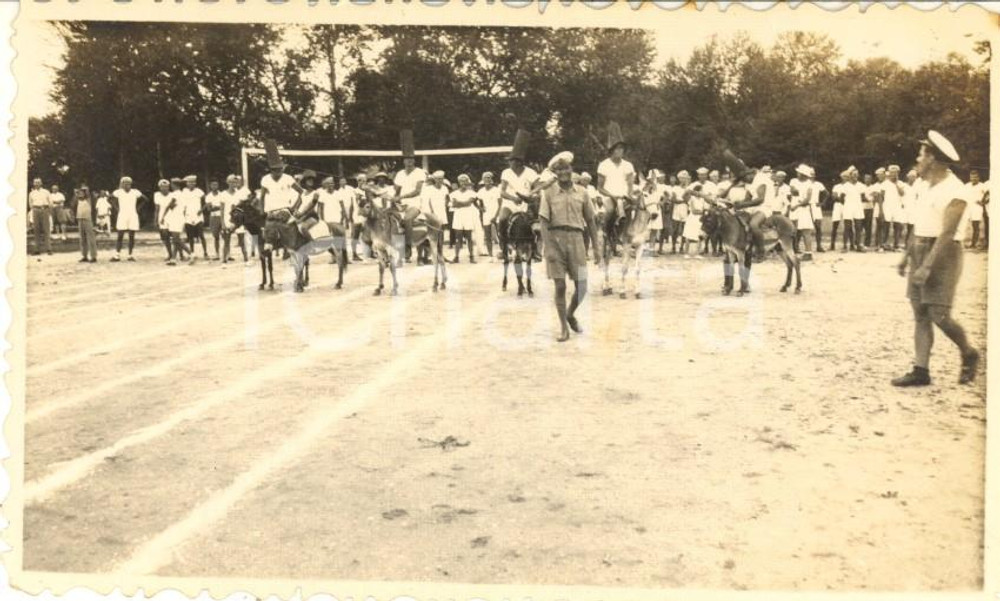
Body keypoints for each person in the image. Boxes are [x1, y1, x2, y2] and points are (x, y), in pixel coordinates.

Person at [894, 130, 979, 387]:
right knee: (920, 312)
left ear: (932, 158)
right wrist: (907, 256)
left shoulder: (957, 191)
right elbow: (918, 224)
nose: (917, 159)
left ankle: (968, 352)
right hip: (920, 247)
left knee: (939, 314)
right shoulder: (922, 185)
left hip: (944, 253)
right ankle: (921, 370)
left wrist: (927, 267)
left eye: (921, 155)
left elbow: (947, 233)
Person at [538, 151, 600, 342]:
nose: (563, 172)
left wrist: (597, 247)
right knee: (560, 286)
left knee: (582, 285)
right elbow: (543, 222)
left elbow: (590, 221)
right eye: (559, 169)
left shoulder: (582, 192)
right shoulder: (548, 193)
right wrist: (548, 248)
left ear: (571, 169)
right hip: (555, 240)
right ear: (555, 173)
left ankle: (570, 314)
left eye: (566, 168)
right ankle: (564, 328)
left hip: (577, 240)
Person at [499, 130, 539, 260]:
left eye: (513, 161)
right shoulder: (506, 172)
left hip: (526, 203)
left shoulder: (531, 173)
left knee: (535, 224)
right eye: (510, 161)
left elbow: (538, 187)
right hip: (510, 203)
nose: (510, 164)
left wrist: (531, 196)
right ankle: (504, 249)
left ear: (520, 162)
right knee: (502, 219)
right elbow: (502, 192)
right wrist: (513, 198)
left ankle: (535, 250)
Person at [596, 122, 635, 229]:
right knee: (609, 210)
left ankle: (628, 233)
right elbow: (600, 187)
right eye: (617, 148)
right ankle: (603, 230)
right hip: (609, 196)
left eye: (622, 148)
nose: (620, 151)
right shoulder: (604, 165)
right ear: (612, 150)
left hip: (624, 196)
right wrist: (612, 196)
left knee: (634, 211)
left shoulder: (628, 165)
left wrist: (629, 195)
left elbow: (630, 184)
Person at [111, 176, 146, 262]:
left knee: (131, 235)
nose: (126, 185)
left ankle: (130, 255)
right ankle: (117, 255)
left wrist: (137, 209)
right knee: (120, 235)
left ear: (131, 184)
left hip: (132, 215)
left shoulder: (135, 192)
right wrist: (117, 208)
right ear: (122, 184)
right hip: (122, 215)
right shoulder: (118, 192)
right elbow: (110, 198)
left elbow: (145, 199)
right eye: (125, 183)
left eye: (128, 183)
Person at [448, 174, 479, 263]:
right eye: (461, 181)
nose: (463, 183)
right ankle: (456, 257)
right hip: (458, 216)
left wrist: (459, 203)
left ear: (468, 182)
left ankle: (471, 256)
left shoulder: (472, 193)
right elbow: (454, 204)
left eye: (465, 181)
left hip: (468, 215)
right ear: (459, 182)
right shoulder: (454, 193)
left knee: (469, 237)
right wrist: (463, 203)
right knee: (458, 237)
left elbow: (469, 203)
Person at [159, 178, 188, 265]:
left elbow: (169, 206)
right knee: (175, 239)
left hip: (176, 218)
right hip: (179, 217)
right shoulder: (182, 194)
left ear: (173, 185)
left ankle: (191, 253)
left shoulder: (175, 194)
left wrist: (163, 217)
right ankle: (173, 259)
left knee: (176, 239)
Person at [179, 175, 208, 262]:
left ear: (195, 183)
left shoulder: (199, 191)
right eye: (189, 182)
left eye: (193, 182)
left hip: (198, 216)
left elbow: (206, 202)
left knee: (201, 235)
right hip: (188, 215)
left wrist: (201, 210)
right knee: (190, 236)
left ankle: (205, 253)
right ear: (187, 183)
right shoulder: (184, 191)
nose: (191, 184)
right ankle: (192, 253)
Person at [220, 175, 248, 264]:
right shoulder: (223, 194)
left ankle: (246, 260)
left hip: (238, 221)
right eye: (231, 182)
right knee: (226, 242)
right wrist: (223, 223)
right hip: (227, 220)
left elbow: (243, 208)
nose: (233, 184)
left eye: (235, 182)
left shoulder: (240, 194)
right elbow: (222, 210)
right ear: (227, 182)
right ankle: (224, 261)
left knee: (242, 241)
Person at [789, 165, 815, 259]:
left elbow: (807, 199)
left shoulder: (809, 184)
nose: (797, 174)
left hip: (803, 209)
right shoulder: (793, 181)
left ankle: (808, 253)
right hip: (794, 208)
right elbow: (793, 191)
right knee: (792, 229)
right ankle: (792, 249)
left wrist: (797, 204)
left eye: (799, 172)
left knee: (806, 231)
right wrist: (799, 199)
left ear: (803, 174)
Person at [478, 172, 501, 262]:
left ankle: (504, 253)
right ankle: (491, 256)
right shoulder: (481, 191)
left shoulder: (496, 190)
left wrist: (496, 216)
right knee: (488, 236)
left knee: (500, 234)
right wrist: (481, 208)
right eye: (485, 178)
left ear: (491, 179)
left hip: (497, 214)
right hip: (486, 215)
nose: (487, 179)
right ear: (483, 180)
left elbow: (500, 204)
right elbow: (476, 201)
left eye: (489, 178)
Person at [28, 177, 53, 256]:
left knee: (46, 230)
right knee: (36, 230)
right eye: (35, 182)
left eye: (38, 182)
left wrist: (48, 211)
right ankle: (37, 250)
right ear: (33, 183)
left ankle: (49, 249)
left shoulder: (46, 191)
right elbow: (30, 203)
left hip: (44, 209)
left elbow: (50, 202)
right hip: (36, 210)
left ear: (41, 183)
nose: (37, 184)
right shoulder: (31, 193)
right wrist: (33, 211)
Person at [74, 185, 97, 263]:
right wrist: (77, 193)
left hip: (88, 219)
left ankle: (93, 256)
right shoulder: (78, 200)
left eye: (83, 192)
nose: (81, 193)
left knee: (90, 238)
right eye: (81, 192)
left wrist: (85, 190)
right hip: (80, 219)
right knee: (82, 238)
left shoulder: (90, 199)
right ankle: (84, 255)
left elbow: (88, 195)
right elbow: (73, 204)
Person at [965, 169, 987, 250]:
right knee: (965, 225)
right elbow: (962, 195)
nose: (973, 179)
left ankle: (974, 244)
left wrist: (983, 202)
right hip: (968, 208)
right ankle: (966, 242)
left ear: (978, 178)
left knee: (975, 226)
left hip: (977, 208)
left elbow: (989, 195)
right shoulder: (967, 186)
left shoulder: (982, 186)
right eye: (972, 177)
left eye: (975, 177)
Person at [153, 179, 174, 261]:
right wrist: (156, 220)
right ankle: (170, 254)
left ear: (169, 187)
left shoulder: (173, 195)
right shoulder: (157, 195)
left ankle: (180, 254)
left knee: (175, 237)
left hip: (172, 217)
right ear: (160, 187)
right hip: (162, 218)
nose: (164, 188)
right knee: (165, 237)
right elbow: (157, 209)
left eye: (166, 186)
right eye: (162, 187)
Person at [206, 178, 225, 260]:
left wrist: (215, 207)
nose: (215, 186)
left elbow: (225, 206)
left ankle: (227, 254)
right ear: (210, 186)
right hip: (213, 217)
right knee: (216, 236)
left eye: (216, 184)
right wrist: (219, 207)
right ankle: (217, 254)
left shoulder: (222, 194)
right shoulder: (208, 196)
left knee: (225, 236)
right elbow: (209, 209)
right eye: (213, 185)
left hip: (222, 216)